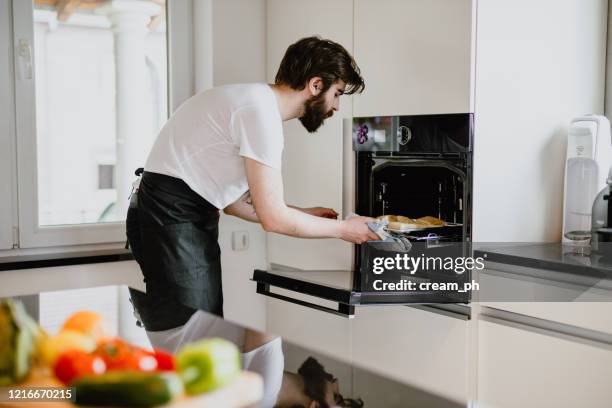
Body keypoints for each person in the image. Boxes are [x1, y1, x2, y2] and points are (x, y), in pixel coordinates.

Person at [126, 36, 379, 334]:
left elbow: (235, 203)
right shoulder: (260, 114)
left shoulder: (251, 101)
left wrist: (302, 212)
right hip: (170, 215)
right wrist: (346, 230)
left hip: (164, 210)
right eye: (336, 93)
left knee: (191, 333)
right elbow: (273, 219)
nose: (336, 107)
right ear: (315, 85)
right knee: (195, 334)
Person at [146, 308, 362, 408]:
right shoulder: (264, 395)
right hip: (164, 317)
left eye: (337, 397)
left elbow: (265, 311)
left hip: (176, 311)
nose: (336, 382)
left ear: (314, 406)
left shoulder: (266, 386)